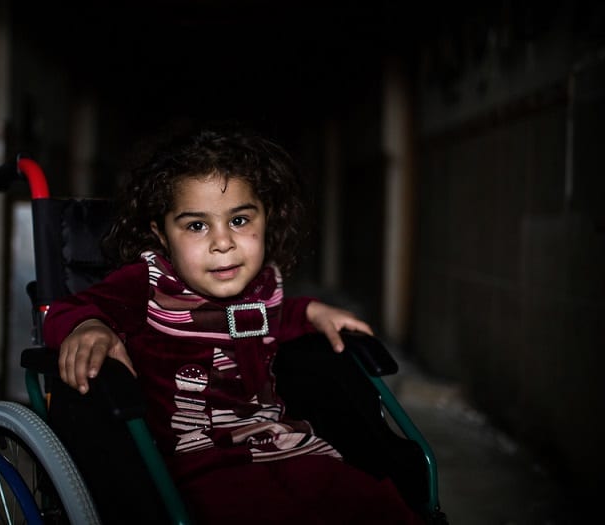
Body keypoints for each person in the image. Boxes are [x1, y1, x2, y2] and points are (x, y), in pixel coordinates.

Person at [43, 127, 424, 524]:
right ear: (161, 234)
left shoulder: (263, 285)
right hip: (196, 461)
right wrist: (89, 326)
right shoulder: (149, 283)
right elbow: (69, 309)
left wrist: (311, 311)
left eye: (239, 219)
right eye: (196, 226)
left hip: (283, 442)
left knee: (369, 501)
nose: (222, 242)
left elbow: (277, 318)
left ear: (267, 217)